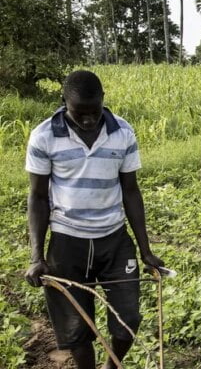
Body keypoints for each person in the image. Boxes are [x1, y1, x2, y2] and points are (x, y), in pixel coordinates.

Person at [24, 70, 164, 369]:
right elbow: (37, 198)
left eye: (94, 111)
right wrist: (37, 256)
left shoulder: (122, 132)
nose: (88, 120)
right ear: (65, 102)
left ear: (103, 101)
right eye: (79, 113)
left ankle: (112, 367)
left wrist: (146, 250)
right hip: (67, 243)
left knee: (128, 319)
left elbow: (130, 190)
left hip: (114, 240)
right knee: (75, 328)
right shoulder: (44, 136)